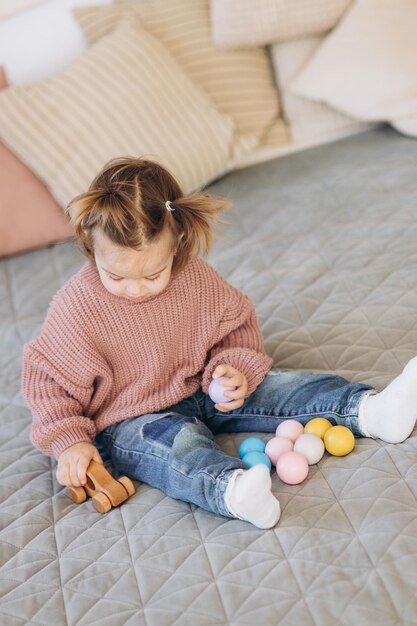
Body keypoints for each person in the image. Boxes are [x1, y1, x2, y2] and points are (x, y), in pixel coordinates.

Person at [22, 156, 417, 529]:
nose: (135, 290)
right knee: (176, 448)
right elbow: (48, 383)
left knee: (279, 386)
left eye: (152, 274)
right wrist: (69, 442)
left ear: (177, 243)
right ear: (92, 250)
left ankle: (369, 410)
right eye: (116, 277)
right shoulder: (77, 308)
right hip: (131, 417)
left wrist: (233, 369)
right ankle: (231, 490)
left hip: (203, 386)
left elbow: (236, 326)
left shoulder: (195, 278)